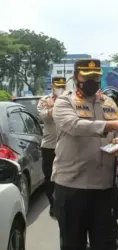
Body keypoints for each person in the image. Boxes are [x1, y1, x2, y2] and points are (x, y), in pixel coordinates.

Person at [52, 59, 118, 250]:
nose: (92, 81)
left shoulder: (108, 101)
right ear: (75, 78)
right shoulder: (65, 102)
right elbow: (73, 125)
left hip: (103, 186)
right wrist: (108, 126)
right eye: (87, 77)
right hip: (72, 185)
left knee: (105, 243)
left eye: (96, 77)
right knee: (73, 243)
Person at [37, 76, 66, 217]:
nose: (60, 88)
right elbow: (45, 117)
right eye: (57, 86)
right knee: (49, 178)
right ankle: (53, 204)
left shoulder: (71, 98)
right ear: (52, 87)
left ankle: (64, 204)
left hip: (67, 144)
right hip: (50, 145)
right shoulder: (45, 100)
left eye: (63, 86)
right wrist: (57, 104)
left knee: (67, 176)